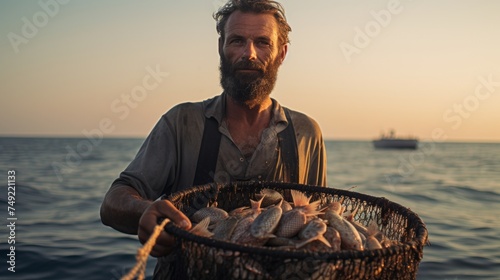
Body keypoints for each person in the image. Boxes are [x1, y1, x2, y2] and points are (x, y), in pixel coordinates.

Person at [100, 0, 327, 278]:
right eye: (237, 41)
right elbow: (114, 201)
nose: (249, 53)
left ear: (281, 54)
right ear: (221, 47)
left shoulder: (306, 133)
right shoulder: (182, 122)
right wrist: (144, 211)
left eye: (263, 42)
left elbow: (320, 220)